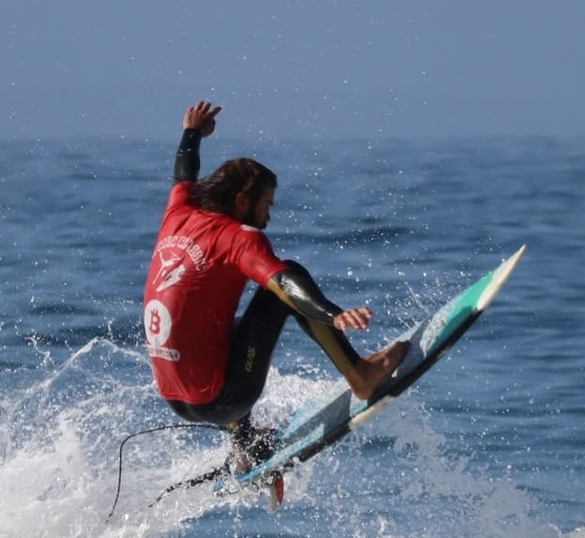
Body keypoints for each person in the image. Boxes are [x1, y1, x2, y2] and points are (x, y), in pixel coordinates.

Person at [143, 100, 408, 465]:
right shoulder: (239, 238)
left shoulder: (179, 211)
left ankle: (243, 443)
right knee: (281, 288)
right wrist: (332, 314)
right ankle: (361, 375)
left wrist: (191, 133)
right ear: (241, 200)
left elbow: (183, 172)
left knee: (217, 327)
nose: (270, 213)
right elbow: (284, 283)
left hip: (174, 399)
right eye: (266, 203)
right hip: (224, 399)